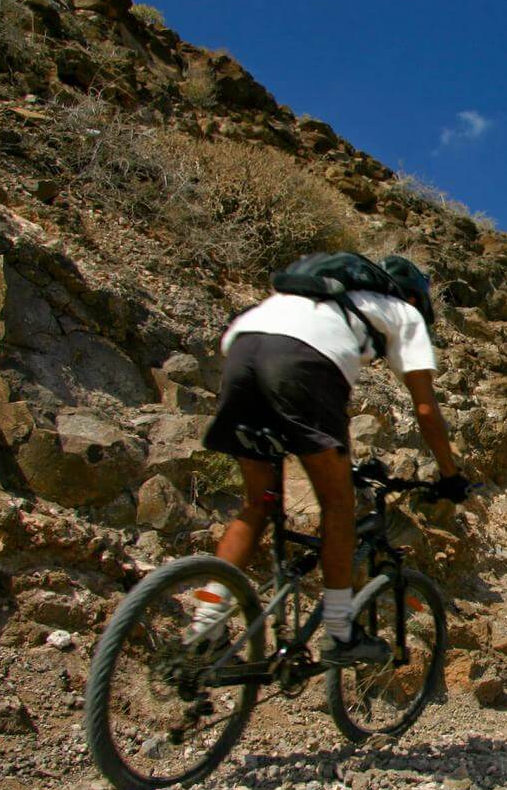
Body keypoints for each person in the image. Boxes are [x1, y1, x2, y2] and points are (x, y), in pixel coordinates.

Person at [192, 254, 471, 666]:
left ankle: (204, 625)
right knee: (338, 505)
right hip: (302, 363)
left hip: (242, 347)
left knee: (257, 503)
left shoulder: (322, 297)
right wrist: (451, 476)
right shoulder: (404, 312)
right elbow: (426, 410)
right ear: (414, 297)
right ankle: (340, 632)